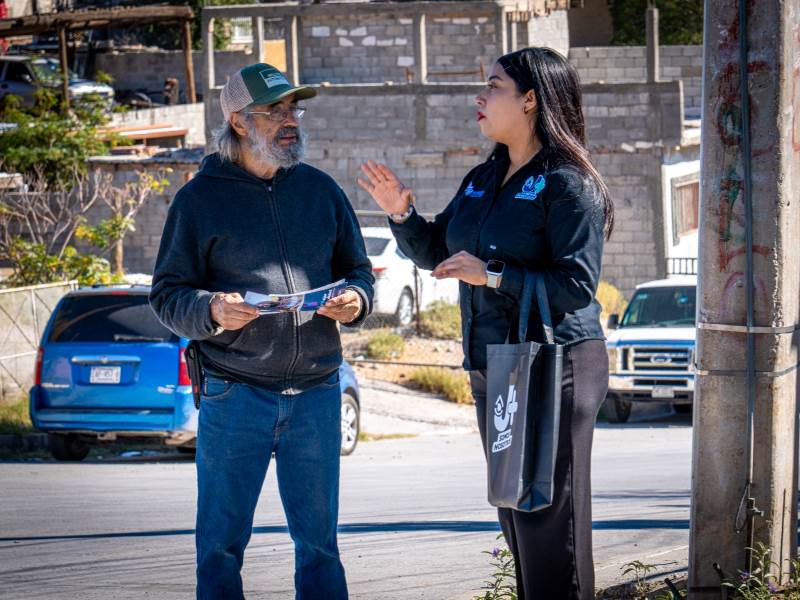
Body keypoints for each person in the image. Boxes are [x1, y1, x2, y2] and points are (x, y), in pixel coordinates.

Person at [357, 47, 612, 600]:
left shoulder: (568, 183)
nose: (479, 96)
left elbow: (576, 285)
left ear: (530, 100)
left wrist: (493, 275)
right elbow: (439, 253)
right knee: (515, 511)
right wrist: (400, 213)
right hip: (497, 365)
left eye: (493, 86)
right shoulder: (482, 178)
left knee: (549, 518)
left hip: (557, 363)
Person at [150, 62, 374, 600]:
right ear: (239, 121)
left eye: (294, 109)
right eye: (275, 111)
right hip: (235, 394)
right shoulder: (198, 201)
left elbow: (359, 270)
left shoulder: (321, 191)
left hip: (317, 392)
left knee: (320, 546)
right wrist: (211, 309)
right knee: (220, 546)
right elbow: (167, 295)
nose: (290, 119)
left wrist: (356, 300)